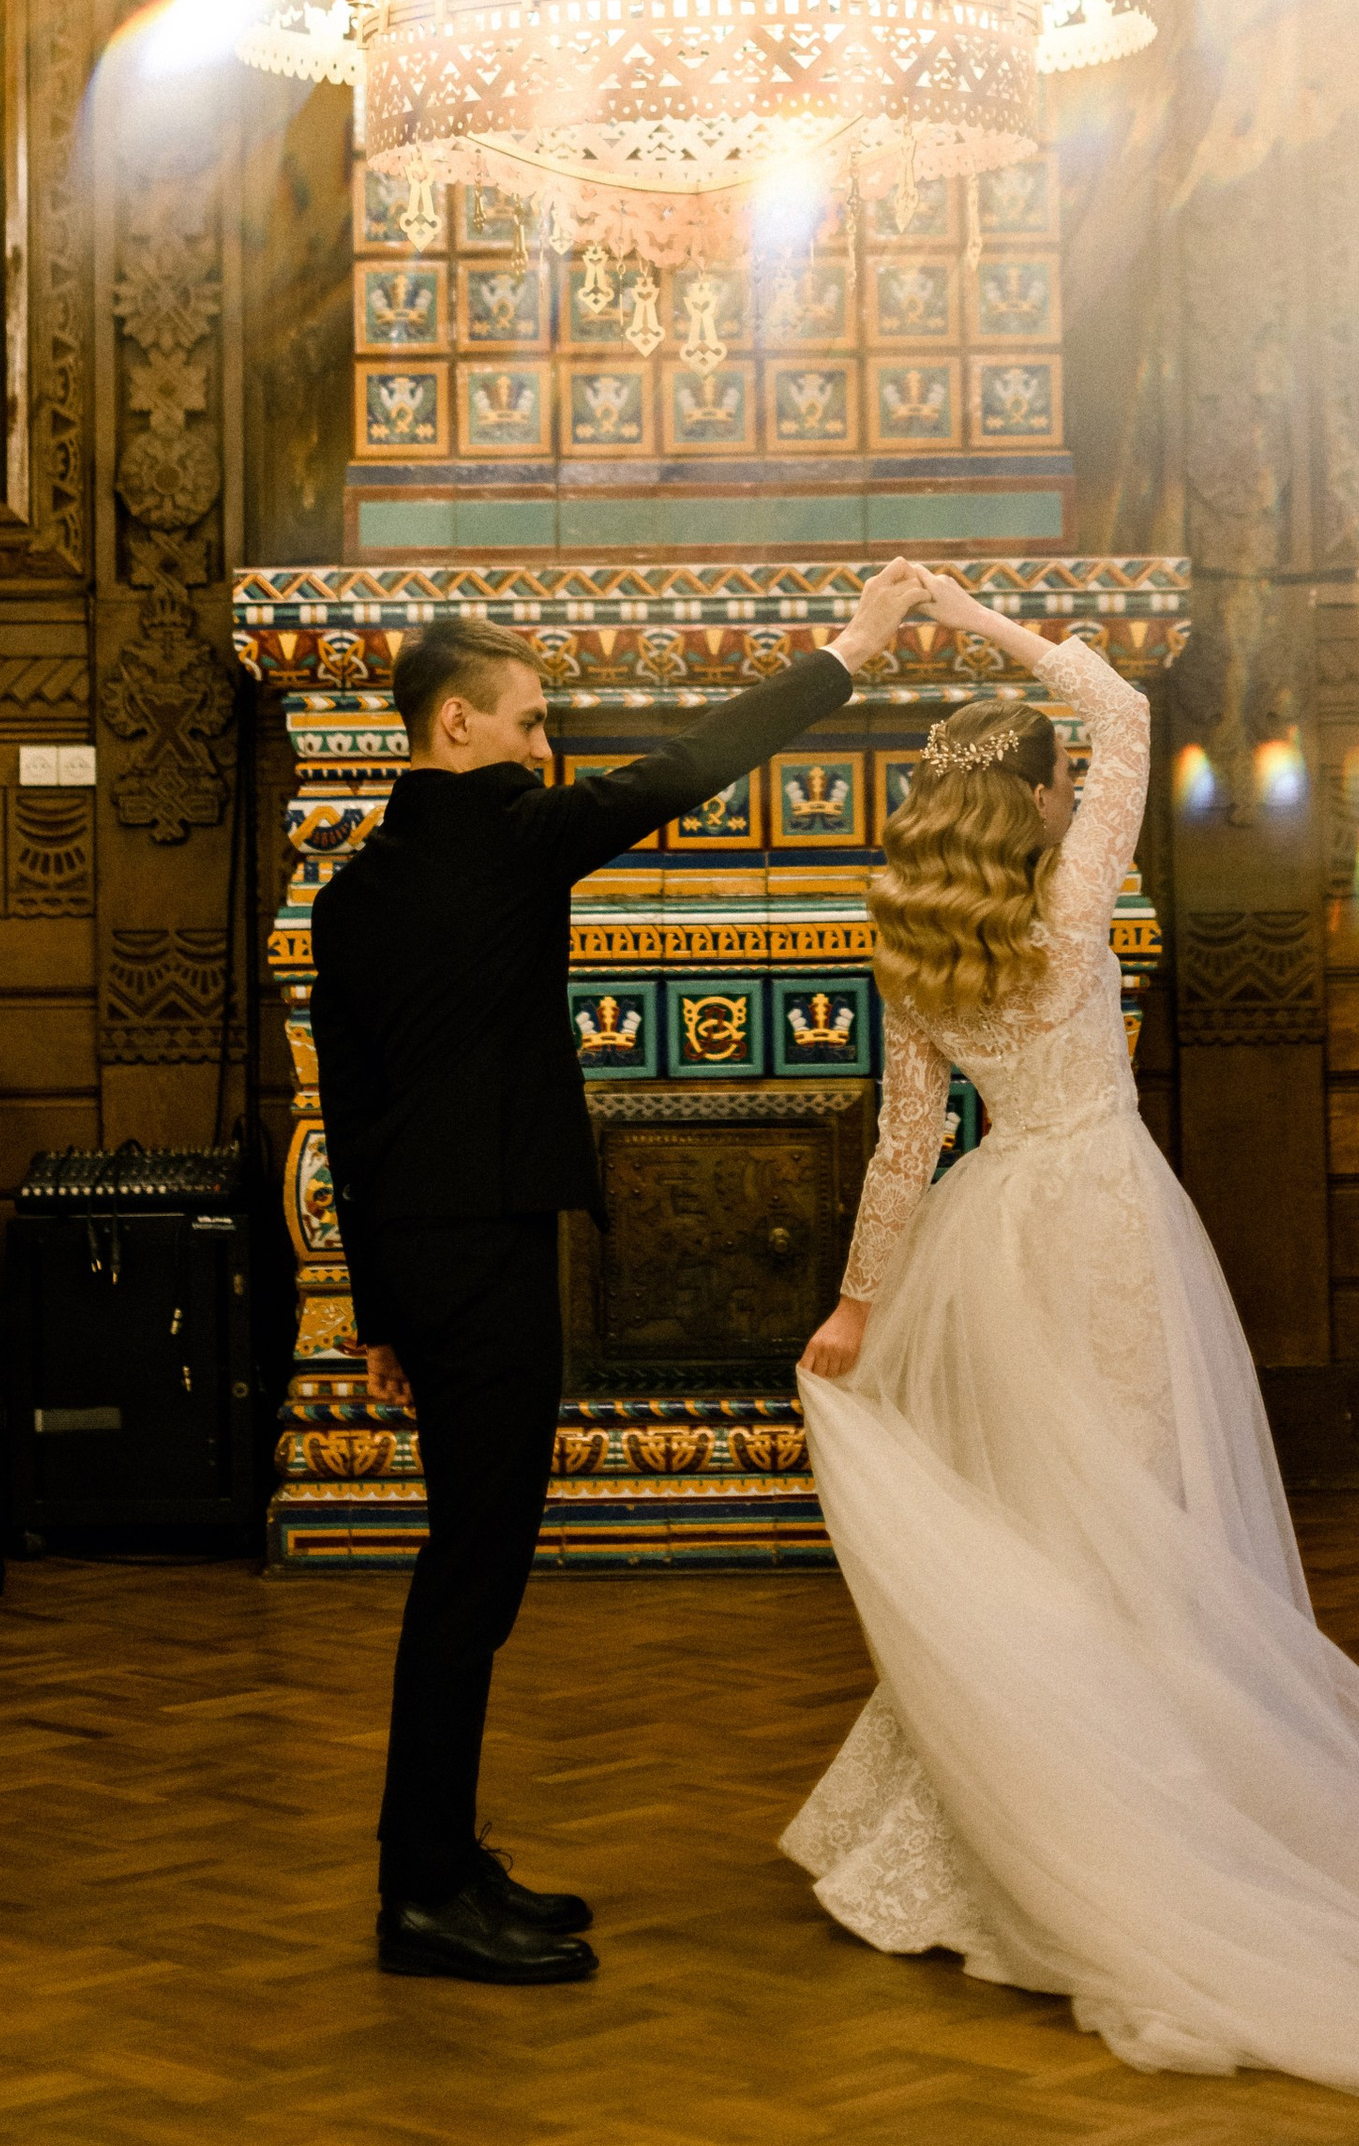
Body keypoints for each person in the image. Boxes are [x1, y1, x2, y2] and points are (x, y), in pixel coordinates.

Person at [785, 567, 1359, 2092]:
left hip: (994, 1236)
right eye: (1054, 783)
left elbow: (904, 1146)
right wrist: (974, 621)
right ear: (1044, 804)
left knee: (1038, 1528)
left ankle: (1006, 1805)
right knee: (1139, 1519)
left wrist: (856, 1305)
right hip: (1103, 1225)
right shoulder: (1073, 898)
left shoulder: (907, 930)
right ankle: (1145, 1803)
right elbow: (1121, 701)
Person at [309, 561, 925, 1987]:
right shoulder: (513, 837)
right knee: (473, 1576)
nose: (546, 745)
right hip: (493, 1256)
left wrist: (378, 1315)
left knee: (466, 1570)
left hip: (423, 1264)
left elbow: (345, 1114)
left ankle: (447, 1863)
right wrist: (849, 650)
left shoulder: (352, 898)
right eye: (528, 720)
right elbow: (696, 763)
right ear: (454, 726)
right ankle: (419, 1894)